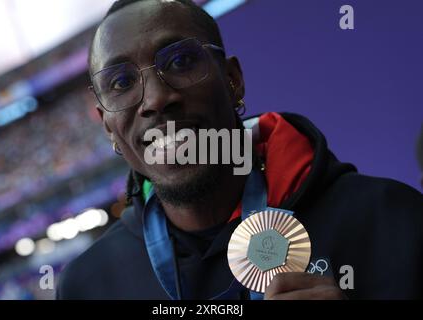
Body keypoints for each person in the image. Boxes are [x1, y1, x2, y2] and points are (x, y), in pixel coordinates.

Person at [57, 0, 423, 299]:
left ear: (233, 81)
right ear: (107, 126)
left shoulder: (391, 220)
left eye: (180, 61)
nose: (155, 98)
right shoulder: (87, 286)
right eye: (121, 82)